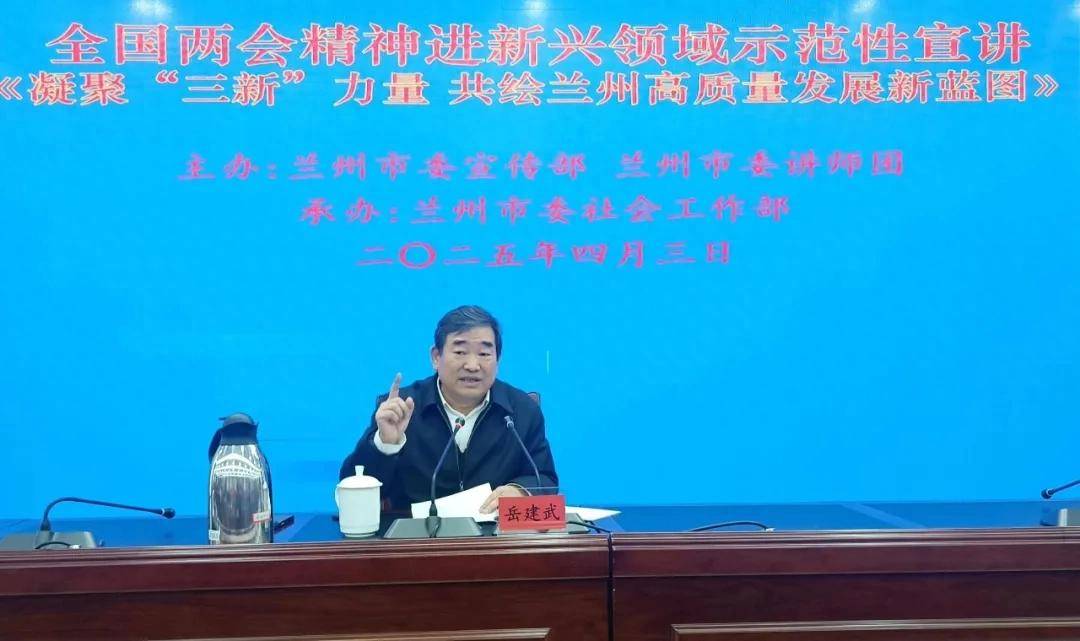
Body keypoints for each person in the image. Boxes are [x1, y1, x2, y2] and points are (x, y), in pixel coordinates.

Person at [340, 305, 558, 513]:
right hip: (415, 535)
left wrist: (520, 491)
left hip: (495, 534)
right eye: (460, 352)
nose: (472, 365)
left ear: (497, 360)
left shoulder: (522, 411)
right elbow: (353, 489)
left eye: (484, 354)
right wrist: (385, 444)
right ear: (436, 357)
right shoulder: (401, 409)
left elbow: (545, 479)